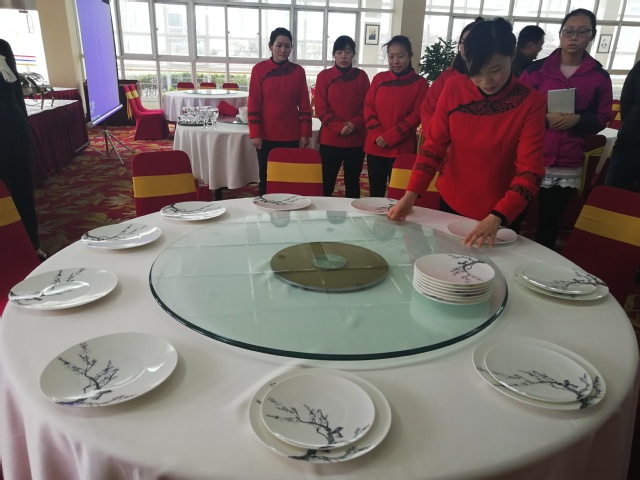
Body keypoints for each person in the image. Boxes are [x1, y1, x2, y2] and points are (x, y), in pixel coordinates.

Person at [388, 19, 546, 248]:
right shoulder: (454, 88)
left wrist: (499, 215)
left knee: (493, 266)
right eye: (476, 72)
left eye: (496, 70)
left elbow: (530, 170)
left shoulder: (530, 102)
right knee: (448, 257)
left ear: (512, 54)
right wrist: (410, 195)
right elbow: (433, 147)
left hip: (501, 208)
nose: (486, 81)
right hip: (453, 197)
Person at [520, 9, 612, 250]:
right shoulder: (535, 71)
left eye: (582, 32)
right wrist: (543, 117)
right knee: (512, 218)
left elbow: (603, 117)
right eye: (569, 31)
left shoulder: (599, 77)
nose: (574, 37)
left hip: (566, 160)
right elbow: (516, 109)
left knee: (549, 225)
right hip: (529, 155)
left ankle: (541, 267)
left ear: (591, 36)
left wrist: (579, 120)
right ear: (560, 34)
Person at [248, 28, 313, 196]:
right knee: (266, 176)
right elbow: (254, 103)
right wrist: (255, 133)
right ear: (270, 46)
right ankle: (265, 205)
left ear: (291, 48)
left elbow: (304, 105)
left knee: (289, 176)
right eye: (279, 45)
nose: (283, 50)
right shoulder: (259, 70)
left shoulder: (298, 71)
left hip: (291, 134)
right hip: (266, 135)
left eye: (287, 46)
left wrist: (305, 133)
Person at [364, 35, 428, 198]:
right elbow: (368, 108)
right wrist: (378, 135)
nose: (395, 61)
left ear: (410, 55)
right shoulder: (379, 79)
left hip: (401, 148)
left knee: (398, 195)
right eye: (391, 57)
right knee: (375, 194)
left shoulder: (420, 83)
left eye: (400, 56)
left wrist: (390, 137)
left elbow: (416, 116)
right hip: (376, 146)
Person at [0, 39, 43, 258]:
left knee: (20, 190)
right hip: (13, 127)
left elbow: (15, 92)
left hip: (11, 130)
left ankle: (30, 245)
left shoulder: (1, 47)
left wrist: (24, 128)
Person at [315, 36, 370, 198]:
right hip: (330, 139)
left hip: (356, 139)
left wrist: (354, 124)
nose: (343, 56)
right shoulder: (324, 76)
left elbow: (368, 106)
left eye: (347, 52)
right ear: (334, 54)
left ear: (353, 54)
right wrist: (339, 127)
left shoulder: (361, 76)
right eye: (339, 52)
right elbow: (321, 108)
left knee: (352, 182)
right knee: (326, 182)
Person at [420, 17, 484, 136]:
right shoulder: (447, 77)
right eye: (463, 42)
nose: (466, 47)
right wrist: (436, 138)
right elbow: (427, 109)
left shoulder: (491, 80)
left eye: (472, 43)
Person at [605, 60, 640, 191]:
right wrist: (630, 124)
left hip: (631, 138)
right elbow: (626, 100)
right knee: (613, 193)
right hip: (629, 144)